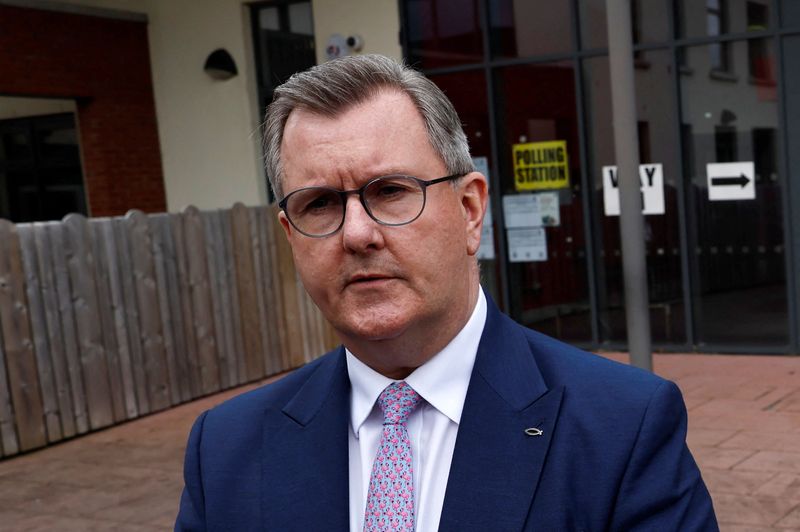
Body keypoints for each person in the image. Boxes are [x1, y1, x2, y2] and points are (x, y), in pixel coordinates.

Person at [175, 54, 718, 531]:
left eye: (390, 192)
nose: (358, 234)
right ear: (290, 235)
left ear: (470, 211)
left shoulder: (623, 428)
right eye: (319, 204)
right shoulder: (224, 449)